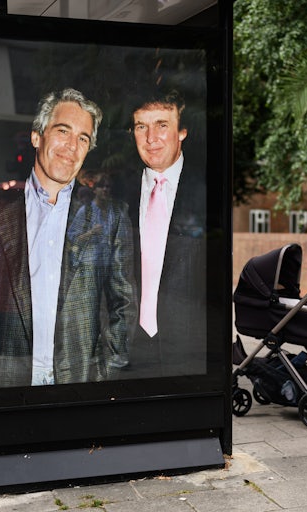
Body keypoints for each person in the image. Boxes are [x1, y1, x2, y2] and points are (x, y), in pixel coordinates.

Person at [0, 88, 136, 387]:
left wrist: (105, 372)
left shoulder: (109, 217)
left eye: (83, 138)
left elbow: (123, 305)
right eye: (62, 131)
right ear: (37, 136)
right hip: (11, 379)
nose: (72, 146)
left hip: (79, 381)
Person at [124, 88, 206, 378]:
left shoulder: (208, 193)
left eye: (162, 125)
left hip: (189, 350)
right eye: (141, 127)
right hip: (127, 349)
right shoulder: (118, 193)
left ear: (182, 131)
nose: (150, 139)